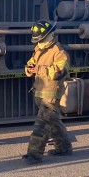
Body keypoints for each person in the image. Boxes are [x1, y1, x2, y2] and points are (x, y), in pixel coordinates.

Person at [21, 20, 72, 163]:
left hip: (51, 94)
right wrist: (29, 68)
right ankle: (64, 147)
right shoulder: (39, 48)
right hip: (40, 92)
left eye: (42, 39)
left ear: (50, 36)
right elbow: (32, 63)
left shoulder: (59, 52)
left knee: (42, 125)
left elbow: (60, 72)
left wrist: (39, 69)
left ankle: (34, 154)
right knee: (53, 122)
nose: (39, 42)